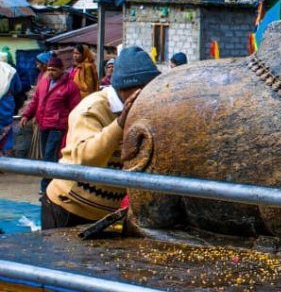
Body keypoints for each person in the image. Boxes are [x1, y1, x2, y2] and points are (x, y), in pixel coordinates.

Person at [42, 46, 161, 230]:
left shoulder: (141, 113)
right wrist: (119, 124)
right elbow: (85, 157)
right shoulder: (92, 108)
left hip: (103, 214)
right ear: (126, 88)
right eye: (143, 91)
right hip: (68, 207)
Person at [20, 57, 81, 194]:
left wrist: (73, 126)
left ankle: (46, 187)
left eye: (54, 69)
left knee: (49, 157)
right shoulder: (44, 83)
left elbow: (75, 108)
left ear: (61, 70)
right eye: (49, 69)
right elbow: (35, 101)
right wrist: (26, 115)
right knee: (48, 157)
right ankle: (52, 185)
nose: (51, 72)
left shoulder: (70, 86)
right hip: (43, 125)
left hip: (58, 126)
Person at [0, 54, 22, 156]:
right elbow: (18, 88)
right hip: (6, 103)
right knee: (7, 129)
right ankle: (5, 158)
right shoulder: (12, 71)